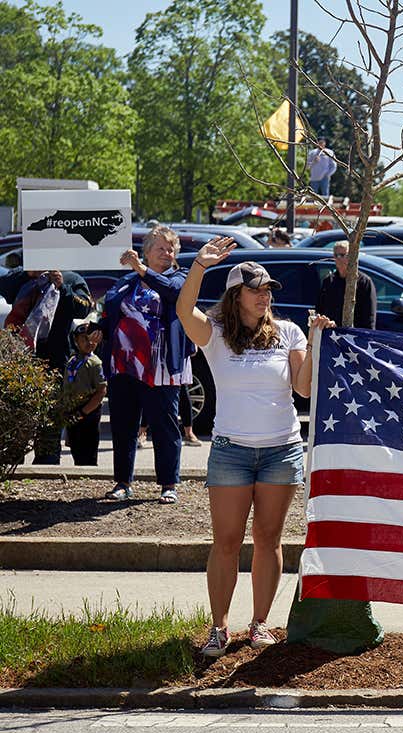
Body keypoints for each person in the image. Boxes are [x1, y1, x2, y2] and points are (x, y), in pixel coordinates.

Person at [176, 237, 335, 656]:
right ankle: (219, 627)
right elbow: (182, 311)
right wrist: (199, 266)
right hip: (231, 451)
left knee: (269, 539)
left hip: (281, 450)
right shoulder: (215, 335)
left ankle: (261, 623)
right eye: (256, 289)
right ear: (235, 295)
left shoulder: (288, 331)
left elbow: (302, 389)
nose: (265, 296)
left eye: (268, 290)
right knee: (226, 541)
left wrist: (316, 344)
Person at [101, 226, 194, 502]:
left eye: (171, 249)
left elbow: (170, 292)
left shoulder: (180, 278)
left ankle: (168, 484)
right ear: (147, 251)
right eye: (161, 248)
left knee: (164, 426)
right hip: (125, 365)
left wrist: (141, 269)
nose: (167, 253)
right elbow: (112, 313)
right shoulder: (127, 281)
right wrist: (99, 328)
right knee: (124, 424)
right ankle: (122, 482)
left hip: (160, 366)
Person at [2, 267, 94, 463]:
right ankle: (12, 462)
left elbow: (85, 307)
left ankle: (47, 462)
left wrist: (63, 287)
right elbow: (4, 288)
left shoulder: (71, 277)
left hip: (54, 359)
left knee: (50, 420)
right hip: (21, 358)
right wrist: (28, 274)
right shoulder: (23, 275)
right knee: (17, 418)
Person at [60, 321, 107, 466]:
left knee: (88, 453)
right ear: (76, 341)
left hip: (88, 414)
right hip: (72, 413)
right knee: (76, 450)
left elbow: (101, 391)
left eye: (92, 339)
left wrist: (83, 412)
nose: (89, 342)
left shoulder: (95, 363)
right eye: (84, 339)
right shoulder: (72, 361)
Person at [316, 241, 377, 329]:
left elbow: (369, 317)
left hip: (355, 335)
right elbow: (320, 309)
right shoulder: (329, 281)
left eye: (342, 255)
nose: (339, 259)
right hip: (331, 334)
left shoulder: (364, 282)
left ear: (352, 256)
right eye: (336, 255)